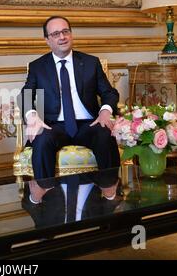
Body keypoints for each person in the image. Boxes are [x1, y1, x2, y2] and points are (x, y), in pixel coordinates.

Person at [18, 15, 120, 181]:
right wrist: (31, 116)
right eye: (56, 34)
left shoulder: (90, 63)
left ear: (71, 34)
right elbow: (25, 95)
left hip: (88, 124)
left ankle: (109, 191)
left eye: (65, 31)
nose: (62, 37)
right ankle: (47, 196)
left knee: (104, 134)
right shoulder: (38, 67)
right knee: (42, 139)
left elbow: (109, 93)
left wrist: (105, 111)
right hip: (54, 126)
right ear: (47, 40)